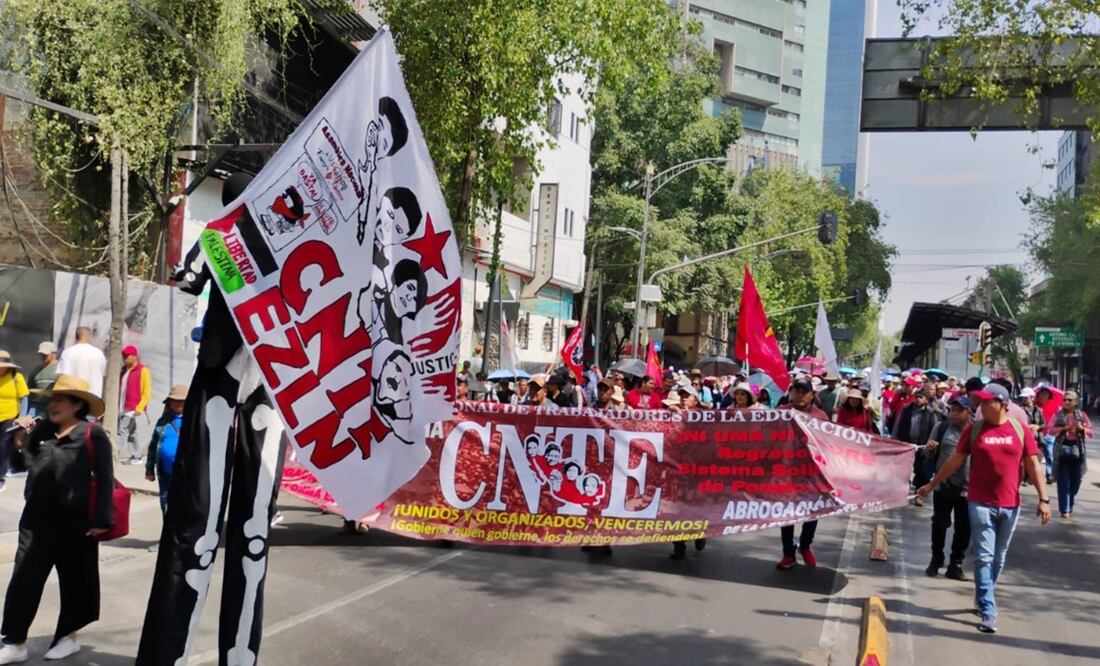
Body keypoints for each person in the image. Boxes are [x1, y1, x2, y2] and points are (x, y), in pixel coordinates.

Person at [917, 382, 1050, 634]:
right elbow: (954, 461)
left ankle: (983, 592)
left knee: (999, 557)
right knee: (985, 556)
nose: (982, 406)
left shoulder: (1019, 430)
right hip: (979, 501)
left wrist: (1044, 499)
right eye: (981, 402)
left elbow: (1033, 465)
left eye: (987, 402)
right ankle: (989, 610)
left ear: (1002, 404)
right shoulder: (974, 430)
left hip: (1010, 504)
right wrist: (931, 485)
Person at [0, 375, 113, 663]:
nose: (54, 404)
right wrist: (19, 439)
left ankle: (68, 637)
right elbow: (22, 465)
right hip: (36, 520)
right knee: (23, 580)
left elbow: (105, 479)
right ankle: (15, 642)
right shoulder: (42, 431)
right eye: (52, 399)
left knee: (76, 580)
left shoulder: (92, 434)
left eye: (61, 399)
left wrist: (101, 519)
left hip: (76, 522)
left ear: (77, 405)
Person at [777, 377, 827, 570]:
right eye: (796, 390)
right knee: (786, 514)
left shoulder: (820, 416)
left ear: (812, 395)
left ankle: (805, 546)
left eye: (803, 391)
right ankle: (788, 553)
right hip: (786, 471)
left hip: (812, 473)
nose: (799, 394)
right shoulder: (781, 414)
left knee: (812, 512)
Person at [924, 396, 973, 580]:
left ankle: (956, 564)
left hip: (967, 488)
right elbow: (926, 452)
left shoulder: (976, 430)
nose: (953, 413)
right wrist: (930, 448)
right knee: (939, 523)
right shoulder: (941, 427)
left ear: (968, 412)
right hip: (943, 485)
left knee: (964, 528)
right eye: (952, 410)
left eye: (958, 410)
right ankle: (936, 560)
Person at [893, 388, 943, 505]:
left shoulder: (930, 413)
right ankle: (900, 493)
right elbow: (898, 424)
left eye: (921, 397)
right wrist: (894, 439)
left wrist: (931, 445)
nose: (918, 399)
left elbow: (935, 429)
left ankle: (918, 495)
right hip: (907, 443)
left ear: (926, 400)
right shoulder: (906, 410)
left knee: (922, 472)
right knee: (903, 470)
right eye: (916, 397)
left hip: (922, 446)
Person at [1050, 390, 1092, 519]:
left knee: (1077, 480)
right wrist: (1064, 429)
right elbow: (1050, 430)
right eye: (1065, 400)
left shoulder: (1082, 416)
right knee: (1063, 481)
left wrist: (1082, 429)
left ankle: (1070, 501)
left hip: (1078, 451)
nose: (1066, 402)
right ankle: (1064, 509)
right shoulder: (1058, 415)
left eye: (1069, 400)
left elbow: (1090, 432)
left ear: (1075, 402)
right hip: (1062, 451)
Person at [145, 385, 187, 513]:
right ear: (169, 403)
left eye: (182, 401)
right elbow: (153, 446)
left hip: (186, 472)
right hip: (165, 472)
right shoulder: (162, 421)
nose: (178, 404)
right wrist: (149, 470)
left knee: (184, 503)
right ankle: (168, 529)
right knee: (165, 502)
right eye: (174, 401)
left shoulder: (193, 421)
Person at [118, 346, 152, 466]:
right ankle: (136, 456)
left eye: (127, 356)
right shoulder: (123, 371)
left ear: (134, 356)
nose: (125, 358)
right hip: (122, 406)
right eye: (124, 356)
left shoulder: (143, 371)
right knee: (132, 432)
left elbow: (146, 391)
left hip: (133, 408)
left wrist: (140, 407)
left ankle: (114, 456)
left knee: (121, 431)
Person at [0, 351, 29, 491]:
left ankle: (0, 477)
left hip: (9, 417)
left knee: (4, 448)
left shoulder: (16, 377)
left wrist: (21, 417)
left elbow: (24, 397)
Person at [56, 327, 106, 398]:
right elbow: (103, 377)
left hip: (74, 398)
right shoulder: (99, 354)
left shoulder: (68, 352)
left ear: (76, 337)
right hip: (95, 398)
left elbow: (62, 375)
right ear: (89, 336)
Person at [26, 342, 59, 417]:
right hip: (36, 408)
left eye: (45, 354)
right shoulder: (35, 372)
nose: (43, 356)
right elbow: (28, 392)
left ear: (54, 353)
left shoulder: (61, 369)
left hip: (54, 407)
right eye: (41, 354)